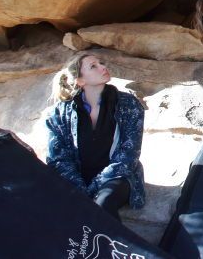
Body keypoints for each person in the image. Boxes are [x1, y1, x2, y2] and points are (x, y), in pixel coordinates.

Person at [45, 53, 145, 221]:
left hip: (117, 177)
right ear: (80, 81)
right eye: (93, 66)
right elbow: (58, 158)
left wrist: (94, 187)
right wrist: (80, 190)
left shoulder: (129, 104)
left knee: (102, 205)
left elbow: (129, 155)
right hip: (77, 178)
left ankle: (119, 247)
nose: (103, 67)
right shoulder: (59, 112)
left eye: (101, 62)